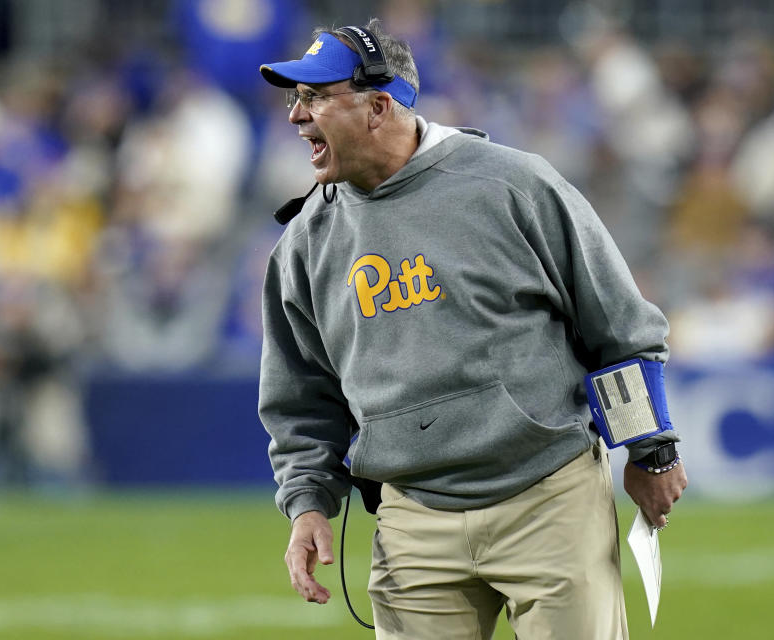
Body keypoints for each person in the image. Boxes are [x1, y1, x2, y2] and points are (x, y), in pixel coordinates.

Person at [257, 20, 687, 640]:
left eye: (317, 96)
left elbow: (618, 327)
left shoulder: (513, 185)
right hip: (412, 518)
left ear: (379, 106)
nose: (297, 116)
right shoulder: (304, 244)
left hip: (548, 498)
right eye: (294, 99)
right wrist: (308, 504)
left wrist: (652, 448)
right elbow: (300, 399)